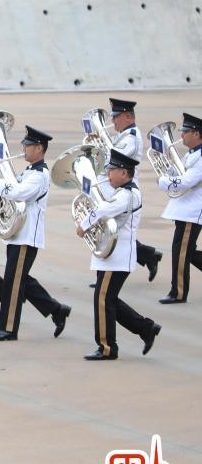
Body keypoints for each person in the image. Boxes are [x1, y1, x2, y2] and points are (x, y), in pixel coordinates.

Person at [0, 126, 71, 341]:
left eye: (27, 146)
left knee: (13, 281)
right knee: (20, 279)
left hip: (27, 235)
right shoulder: (29, 171)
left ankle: (8, 329)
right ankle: (56, 309)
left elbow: (19, 193)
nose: (23, 149)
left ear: (39, 148)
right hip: (18, 232)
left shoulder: (40, 175)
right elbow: (13, 186)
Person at [78, 150, 160, 360]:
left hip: (117, 256)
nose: (108, 175)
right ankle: (145, 328)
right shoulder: (124, 190)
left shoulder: (127, 195)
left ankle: (107, 347)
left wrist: (85, 224)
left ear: (124, 173)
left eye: (111, 171)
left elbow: (104, 209)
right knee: (109, 299)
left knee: (103, 299)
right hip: (114, 255)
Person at [99, 98, 163, 280]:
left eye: (116, 117)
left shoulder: (132, 138)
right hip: (112, 187)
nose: (112, 121)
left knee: (114, 231)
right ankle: (149, 255)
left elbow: (112, 163)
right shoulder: (123, 135)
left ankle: (145, 256)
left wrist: (101, 152)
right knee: (112, 231)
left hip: (121, 188)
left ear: (128, 116)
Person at [157, 111, 202, 303]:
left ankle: (179, 292)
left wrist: (164, 181)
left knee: (181, 252)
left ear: (197, 134)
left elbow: (187, 182)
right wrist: (168, 167)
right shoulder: (192, 154)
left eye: (185, 131)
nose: (181, 135)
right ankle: (178, 290)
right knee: (185, 252)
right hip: (184, 210)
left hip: (192, 212)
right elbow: (179, 174)